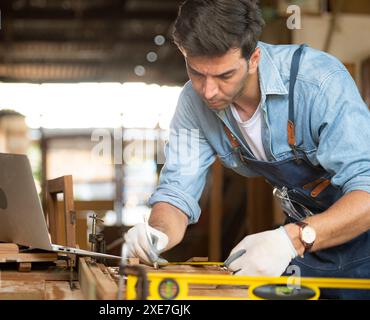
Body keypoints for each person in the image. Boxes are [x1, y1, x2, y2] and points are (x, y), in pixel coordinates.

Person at [124, 0, 370, 299]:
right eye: (197, 72)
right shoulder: (193, 104)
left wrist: (290, 240)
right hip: (305, 243)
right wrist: (158, 233)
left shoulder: (317, 82)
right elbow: (177, 192)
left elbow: (366, 187)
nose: (208, 91)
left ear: (254, 58)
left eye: (224, 76)